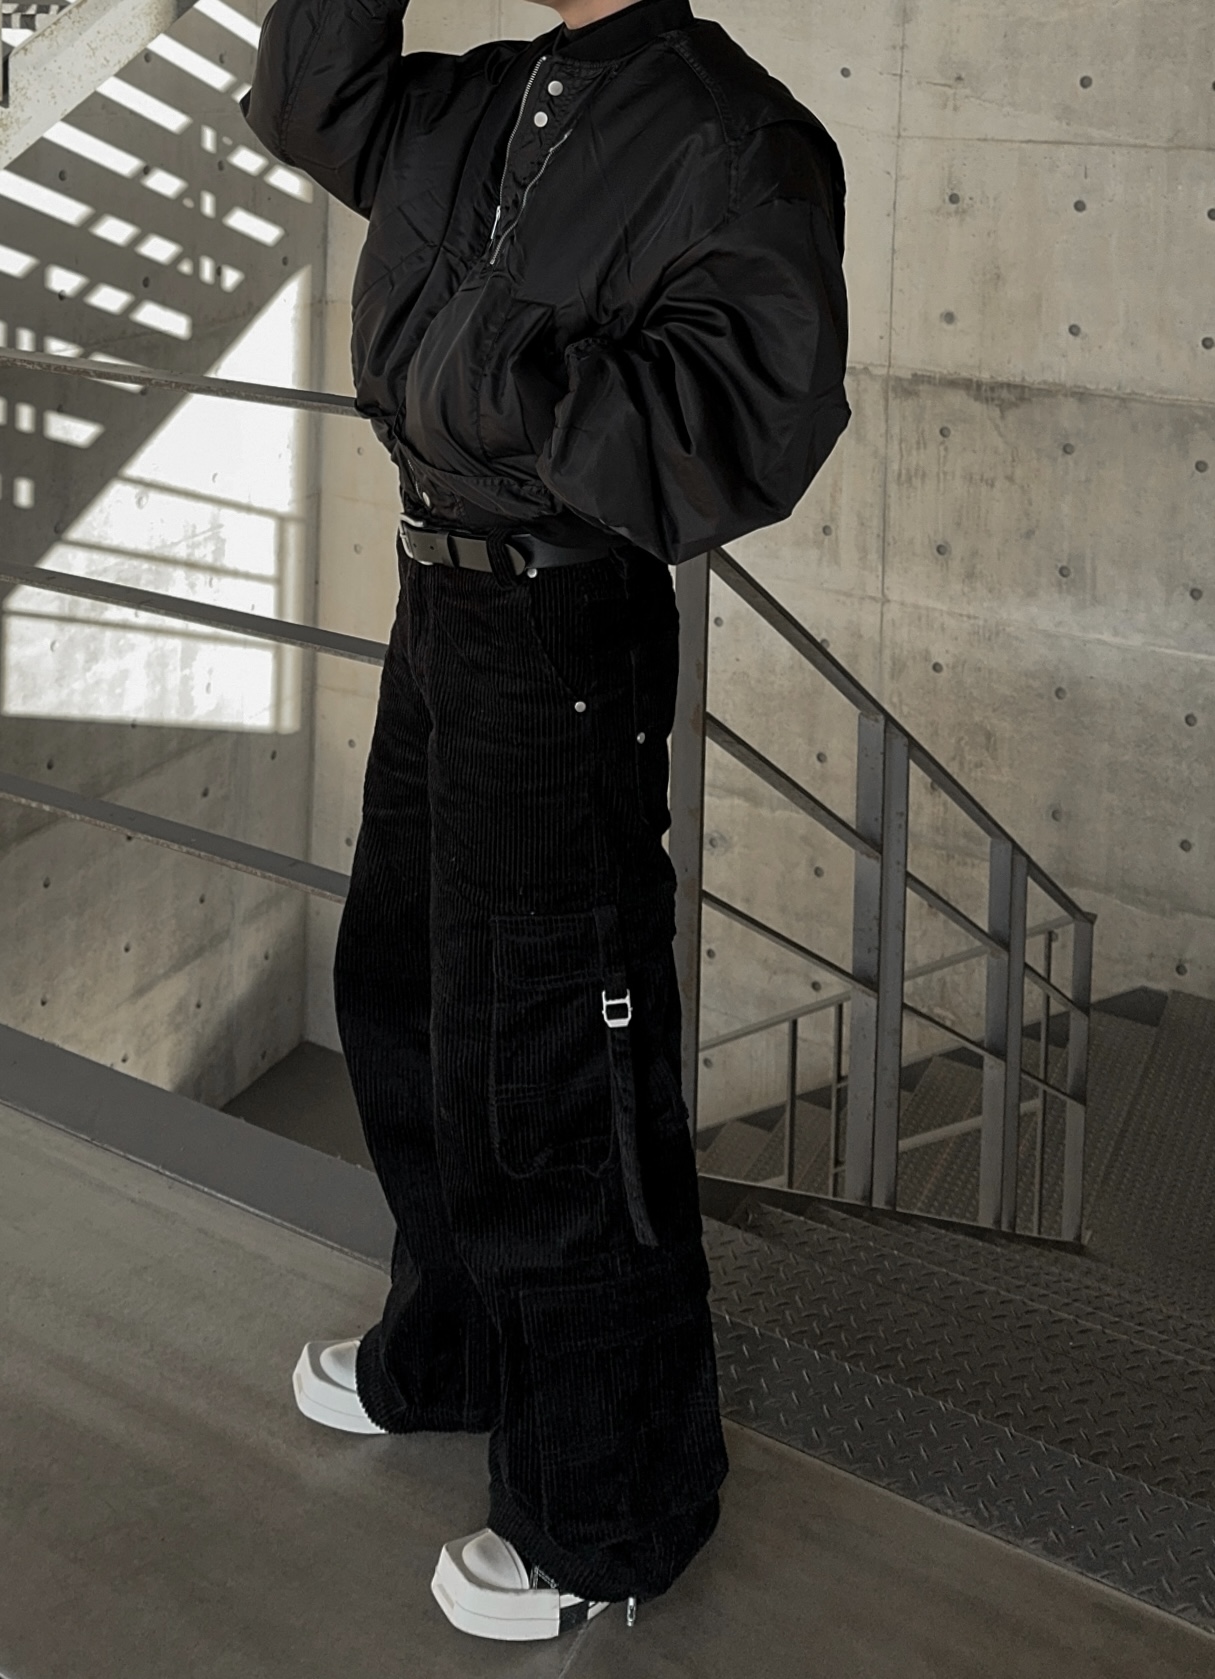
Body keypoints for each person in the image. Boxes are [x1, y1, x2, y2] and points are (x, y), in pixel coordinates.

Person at [243, 0, 849, 1643]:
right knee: (405, 993)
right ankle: (454, 1346)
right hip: (443, 606)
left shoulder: (734, 137)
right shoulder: (492, 97)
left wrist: (504, 392)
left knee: (556, 1063)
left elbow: (755, 419)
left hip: (565, 626)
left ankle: (611, 1508)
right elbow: (308, 103)